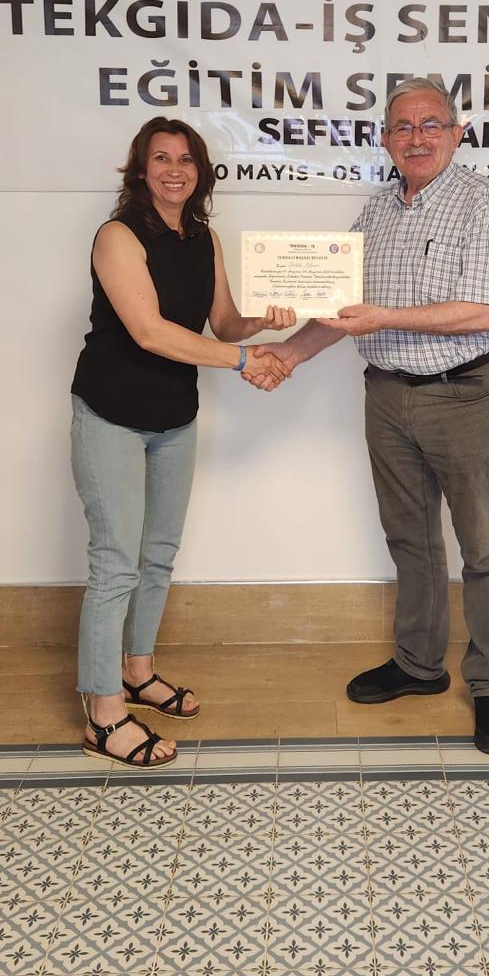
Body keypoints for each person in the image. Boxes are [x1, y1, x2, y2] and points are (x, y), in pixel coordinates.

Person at [280, 79, 489, 755]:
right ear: (385, 139)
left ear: (456, 133)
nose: (417, 138)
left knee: (484, 548)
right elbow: (342, 307)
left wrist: (383, 316)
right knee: (410, 539)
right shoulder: (376, 213)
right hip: (387, 395)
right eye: (403, 127)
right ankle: (419, 664)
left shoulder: (484, 204)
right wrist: (286, 355)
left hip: (467, 395)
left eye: (430, 124)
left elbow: (486, 312)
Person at [71, 116, 293, 768]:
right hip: (111, 410)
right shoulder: (117, 236)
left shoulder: (203, 237)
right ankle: (103, 714)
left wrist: (266, 319)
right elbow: (149, 331)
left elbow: (221, 323)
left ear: (201, 171)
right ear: (141, 170)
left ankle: (137, 672)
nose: (175, 169)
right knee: (116, 562)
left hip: (175, 414)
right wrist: (245, 359)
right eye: (162, 158)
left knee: (158, 553)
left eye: (187, 159)